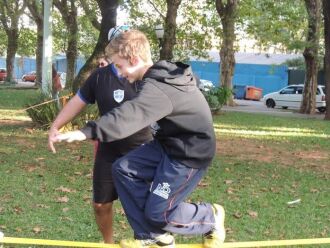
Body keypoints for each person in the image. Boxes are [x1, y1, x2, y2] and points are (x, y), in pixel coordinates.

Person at [53, 29, 225, 248]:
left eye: (119, 66)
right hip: (168, 144)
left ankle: (210, 216)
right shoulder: (157, 77)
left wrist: (84, 131)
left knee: (159, 214)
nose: (119, 72)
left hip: (189, 154)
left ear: (133, 60)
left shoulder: (159, 87)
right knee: (122, 168)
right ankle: (149, 235)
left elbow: (129, 115)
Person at [48, 29, 153, 243]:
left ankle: (145, 241)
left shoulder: (145, 76)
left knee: (143, 203)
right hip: (109, 150)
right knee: (100, 204)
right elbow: (79, 101)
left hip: (142, 149)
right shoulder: (99, 76)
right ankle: (108, 243)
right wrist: (56, 125)